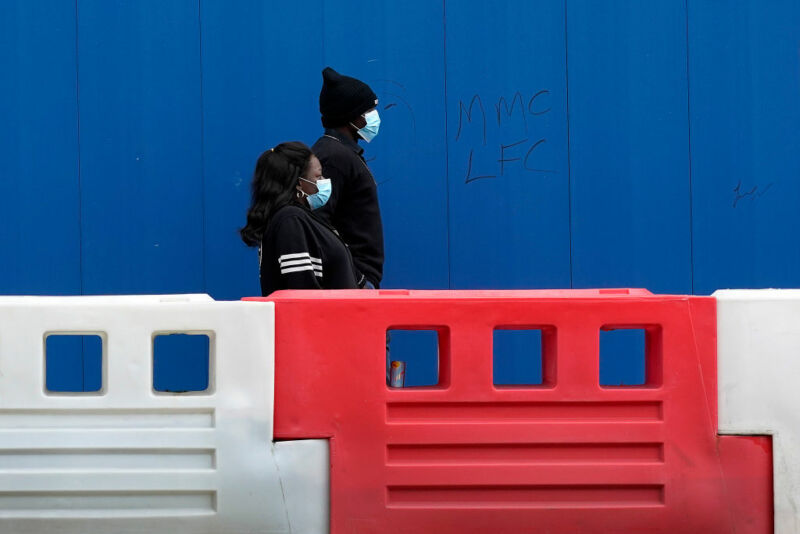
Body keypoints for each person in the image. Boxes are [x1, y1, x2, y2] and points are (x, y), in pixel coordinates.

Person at [240, 141, 358, 296]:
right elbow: (301, 293)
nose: (324, 180)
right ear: (299, 183)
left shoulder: (302, 219)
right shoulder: (290, 220)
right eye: (318, 175)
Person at [312, 67, 384, 290]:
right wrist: (356, 277)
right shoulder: (333, 158)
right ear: (351, 116)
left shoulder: (342, 154)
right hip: (352, 283)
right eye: (369, 111)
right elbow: (319, 224)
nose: (375, 117)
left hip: (357, 279)